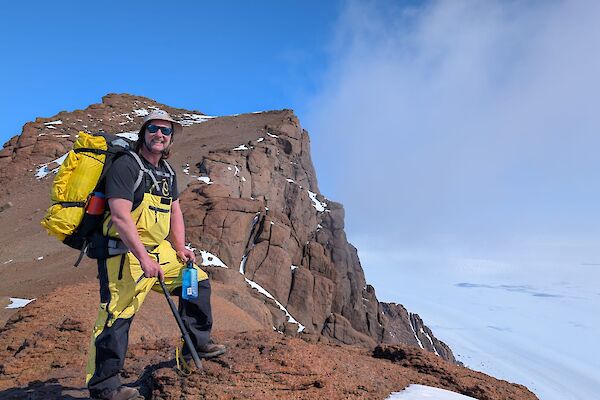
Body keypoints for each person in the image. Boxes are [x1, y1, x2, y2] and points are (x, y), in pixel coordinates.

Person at [85, 110, 225, 400]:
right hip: (124, 252)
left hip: (159, 249)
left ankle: (196, 345)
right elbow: (121, 216)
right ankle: (104, 387)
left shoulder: (167, 171)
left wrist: (180, 247)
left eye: (166, 131)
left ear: (171, 137)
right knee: (116, 316)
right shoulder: (127, 166)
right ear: (143, 133)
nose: (160, 135)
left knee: (196, 282)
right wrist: (144, 259)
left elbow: (174, 211)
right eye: (154, 129)